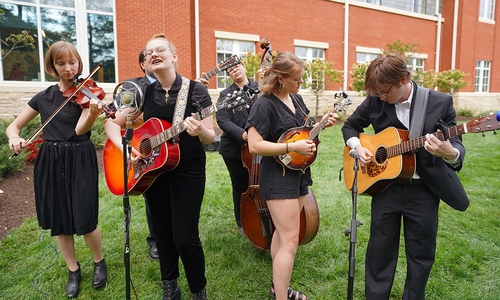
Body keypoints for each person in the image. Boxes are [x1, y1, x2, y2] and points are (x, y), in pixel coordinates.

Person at [341, 53, 469, 299]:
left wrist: (449, 152)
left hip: (424, 190)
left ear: (403, 79)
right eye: (377, 93)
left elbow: (457, 147)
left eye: (385, 92)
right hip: (385, 187)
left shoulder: (440, 103)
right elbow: (350, 126)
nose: (381, 97)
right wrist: (357, 146)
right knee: (379, 251)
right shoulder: (375, 100)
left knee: (421, 254)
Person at [104, 33, 214, 300]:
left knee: (185, 237)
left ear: (174, 56)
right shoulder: (139, 92)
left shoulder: (196, 89)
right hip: (152, 170)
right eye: (149, 51)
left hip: (188, 169)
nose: (153, 53)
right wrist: (126, 148)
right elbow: (111, 124)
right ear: (146, 62)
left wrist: (199, 129)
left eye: (160, 49)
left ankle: (198, 289)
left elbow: (211, 136)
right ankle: (170, 284)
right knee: (162, 233)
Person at [6, 41, 107, 298]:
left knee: (85, 217)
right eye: (61, 63)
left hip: (79, 156)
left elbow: (79, 131)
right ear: (52, 66)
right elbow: (13, 126)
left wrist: (92, 115)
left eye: (72, 62)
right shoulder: (43, 97)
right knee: (60, 220)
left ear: (79, 63)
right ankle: (73, 269)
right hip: (50, 159)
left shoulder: (87, 93)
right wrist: (13, 137)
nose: (68, 68)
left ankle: (99, 262)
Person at [246, 51, 338, 300]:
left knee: (281, 233)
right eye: (296, 78)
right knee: (290, 242)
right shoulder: (264, 104)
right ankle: (281, 297)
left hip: (298, 174)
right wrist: (290, 148)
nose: (300, 83)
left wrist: (322, 124)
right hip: (277, 178)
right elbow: (255, 145)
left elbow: (303, 132)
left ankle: (278, 287)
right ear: (281, 78)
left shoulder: (295, 99)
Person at [123, 48, 159, 260]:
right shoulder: (131, 86)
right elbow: (121, 118)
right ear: (142, 65)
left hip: (167, 143)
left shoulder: (175, 85)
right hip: (143, 144)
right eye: (149, 58)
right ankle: (155, 240)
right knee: (151, 195)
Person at [215, 61, 258, 234]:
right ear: (229, 75)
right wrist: (244, 135)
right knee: (240, 186)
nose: (234, 70)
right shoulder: (225, 94)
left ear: (244, 68)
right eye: (230, 70)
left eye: (236, 66)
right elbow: (222, 120)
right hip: (234, 149)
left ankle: (263, 215)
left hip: (261, 146)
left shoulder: (261, 88)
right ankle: (242, 222)